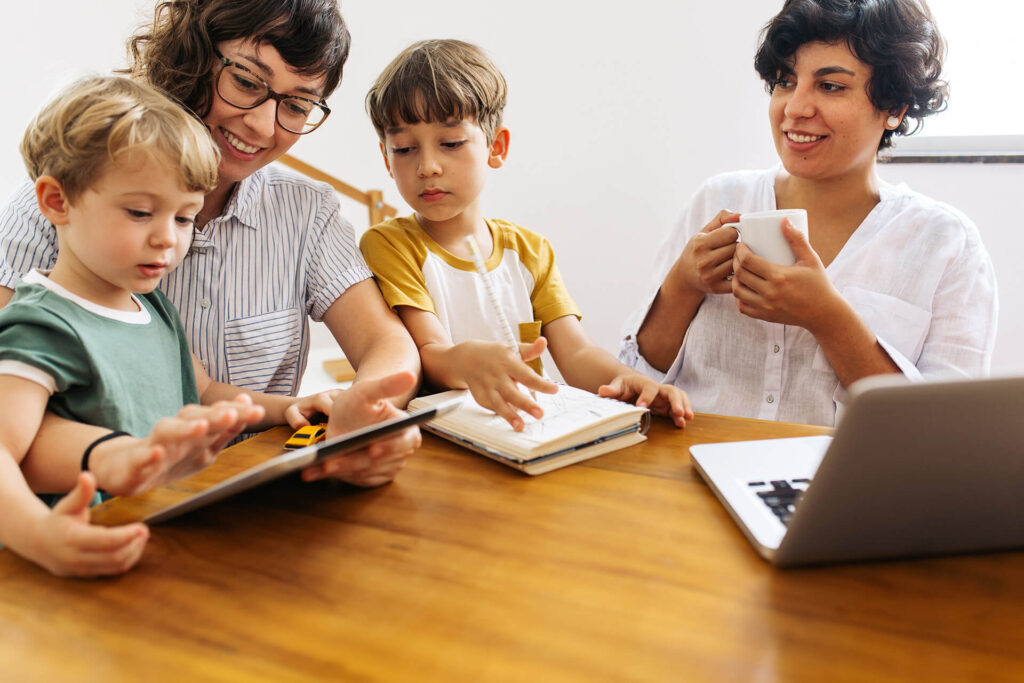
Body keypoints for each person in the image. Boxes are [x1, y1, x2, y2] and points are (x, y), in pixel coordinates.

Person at [0, 0, 421, 486]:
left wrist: (360, 410)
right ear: (192, 56)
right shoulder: (60, 207)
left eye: (298, 106)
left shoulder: (306, 211)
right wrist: (118, 459)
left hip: (256, 497)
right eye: (245, 81)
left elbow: (386, 343)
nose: (263, 126)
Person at [619, 0, 997, 427]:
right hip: (688, 471)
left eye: (831, 86)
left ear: (895, 108)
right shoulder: (718, 200)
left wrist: (827, 317)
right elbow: (636, 376)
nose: (795, 108)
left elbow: (945, 431)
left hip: (845, 490)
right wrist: (683, 284)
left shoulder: (944, 244)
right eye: (785, 81)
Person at [0, 75, 290, 576]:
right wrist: (39, 536)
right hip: (73, 558)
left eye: (184, 219)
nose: (167, 240)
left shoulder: (151, 307)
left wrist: (289, 410)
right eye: (140, 212)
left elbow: (200, 389)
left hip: (152, 541)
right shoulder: (40, 322)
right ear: (56, 202)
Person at [360, 40, 692, 431]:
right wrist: (467, 362)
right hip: (440, 444)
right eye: (404, 149)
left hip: (527, 435)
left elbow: (577, 353)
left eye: (450, 143)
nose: (427, 166)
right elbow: (431, 351)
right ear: (386, 158)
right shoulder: (389, 245)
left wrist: (630, 380)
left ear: (496, 147)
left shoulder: (530, 251)